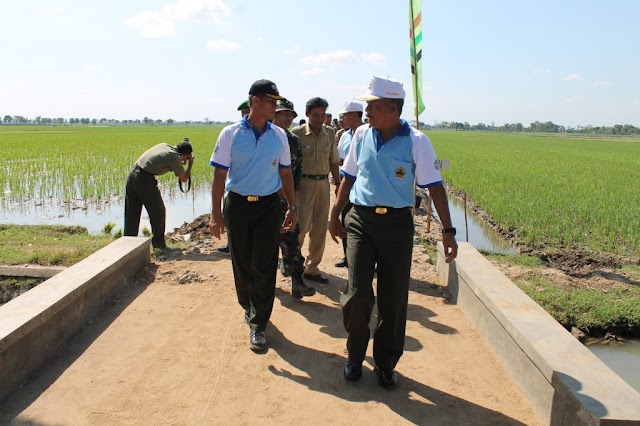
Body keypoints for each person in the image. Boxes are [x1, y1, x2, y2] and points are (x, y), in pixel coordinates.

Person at [329, 76, 458, 389]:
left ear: (391, 107)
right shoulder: (360, 134)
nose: (366, 110)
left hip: (397, 224)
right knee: (358, 293)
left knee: (394, 298)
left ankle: (385, 363)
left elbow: (435, 187)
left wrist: (448, 230)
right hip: (360, 219)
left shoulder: (417, 141)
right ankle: (355, 355)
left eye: (372, 105)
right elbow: (347, 177)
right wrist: (335, 215)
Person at [209, 79, 298, 352]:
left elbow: (285, 173)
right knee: (243, 264)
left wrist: (293, 207)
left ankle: (259, 323)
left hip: (268, 206)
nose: (275, 107)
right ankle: (248, 305)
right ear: (255, 102)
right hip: (237, 206)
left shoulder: (279, 136)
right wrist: (215, 214)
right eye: (271, 102)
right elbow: (219, 175)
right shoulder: (230, 134)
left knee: (265, 263)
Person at [291, 98, 340, 283]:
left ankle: (312, 268)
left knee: (320, 228)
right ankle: (294, 264)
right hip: (303, 185)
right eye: (315, 115)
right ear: (307, 115)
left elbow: (334, 160)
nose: (319, 119)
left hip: (323, 184)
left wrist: (338, 183)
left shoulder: (330, 133)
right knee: (301, 227)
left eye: (322, 115)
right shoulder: (297, 134)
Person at [273, 99, 316, 299]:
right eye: (284, 114)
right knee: (264, 246)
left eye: (291, 115)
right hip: (264, 201)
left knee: (292, 242)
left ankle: (297, 282)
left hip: (286, 203)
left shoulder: (293, 141)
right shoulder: (264, 137)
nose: (289, 118)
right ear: (273, 113)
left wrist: (293, 202)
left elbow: (295, 174)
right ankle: (261, 284)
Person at [124, 138, 194, 249]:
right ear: (184, 155)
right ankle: (158, 245)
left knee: (132, 213)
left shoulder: (165, 146)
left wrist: (183, 159)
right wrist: (190, 164)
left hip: (133, 175)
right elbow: (184, 178)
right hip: (144, 180)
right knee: (158, 212)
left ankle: (127, 245)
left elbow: (172, 160)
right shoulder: (174, 157)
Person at [218, 100, 252, 254]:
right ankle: (231, 244)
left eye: (247, 111)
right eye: (243, 113)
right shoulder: (233, 133)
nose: (245, 115)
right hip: (236, 187)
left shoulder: (270, 133)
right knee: (233, 220)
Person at [334, 101, 364, 268]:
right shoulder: (345, 136)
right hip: (347, 185)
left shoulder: (369, 134)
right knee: (345, 220)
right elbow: (340, 159)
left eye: (344, 116)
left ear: (354, 115)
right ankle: (348, 256)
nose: (342, 119)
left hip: (363, 187)